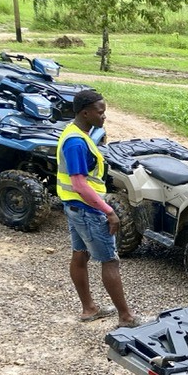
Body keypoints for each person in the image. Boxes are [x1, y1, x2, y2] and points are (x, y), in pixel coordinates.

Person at [57, 89, 142, 327]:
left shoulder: (75, 133)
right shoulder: (76, 143)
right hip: (87, 209)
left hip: (75, 207)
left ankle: (89, 309)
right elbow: (79, 184)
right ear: (85, 113)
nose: (104, 116)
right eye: (100, 111)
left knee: (80, 254)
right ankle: (126, 317)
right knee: (110, 261)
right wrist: (109, 211)